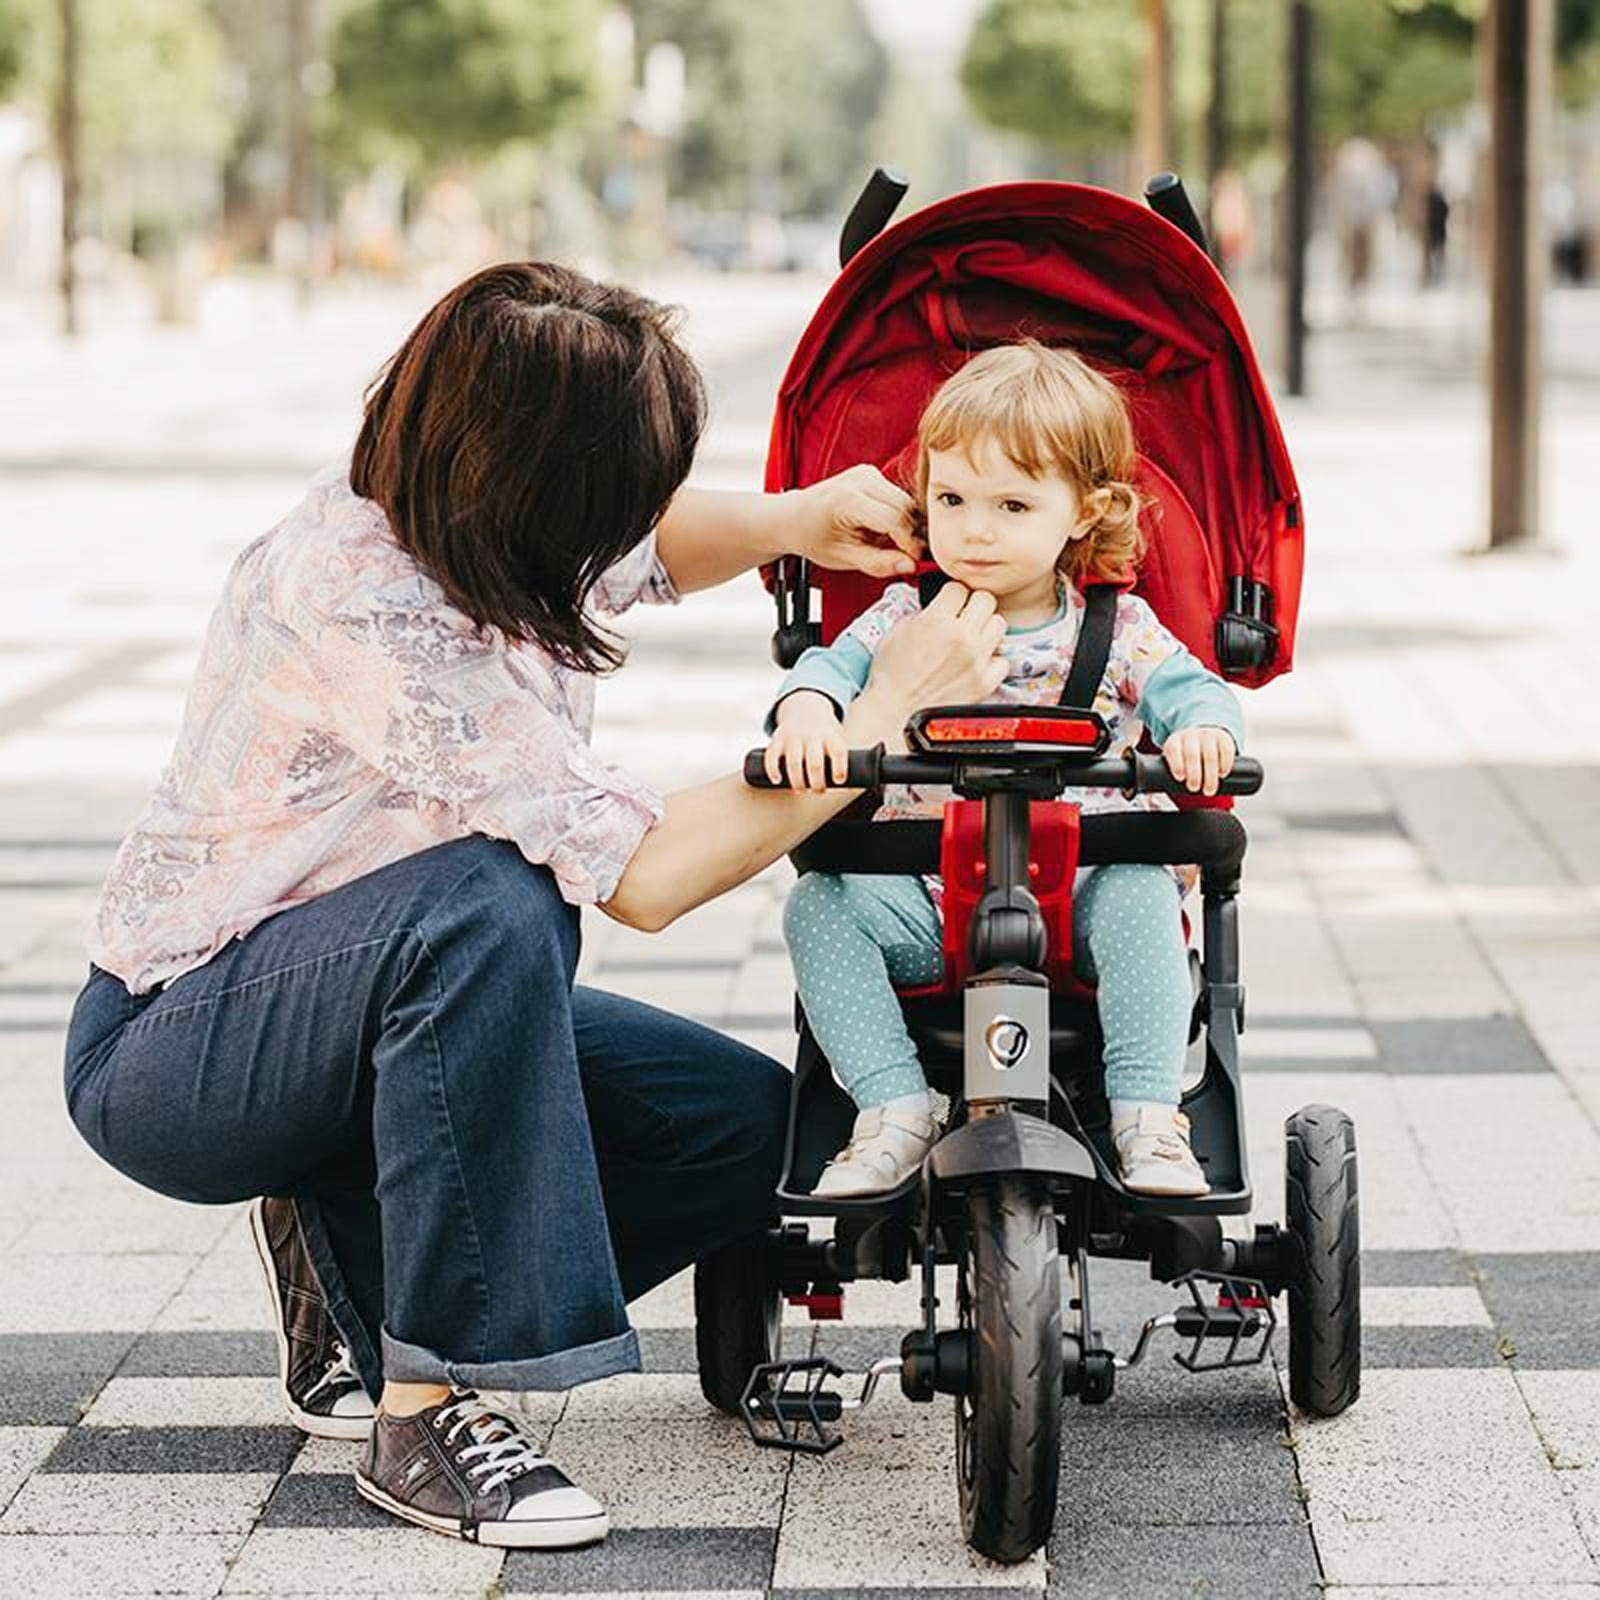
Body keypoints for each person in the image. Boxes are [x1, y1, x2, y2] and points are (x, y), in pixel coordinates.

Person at [61, 261, 1010, 1550]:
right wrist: (881, 710)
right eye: (620, 489)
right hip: (182, 1048)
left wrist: (797, 518)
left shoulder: (467, 510)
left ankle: (351, 1258)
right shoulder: (366, 604)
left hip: (362, 995)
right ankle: (425, 1406)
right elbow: (646, 875)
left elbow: (646, 550)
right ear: (538, 485)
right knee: (497, 901)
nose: (635, 521)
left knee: (751, 1134)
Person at [763, 342, 1245, 1200]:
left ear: (1087, 512)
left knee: (1143, 894)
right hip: (926, 895)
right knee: (817, 906)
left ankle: (1146, 1114)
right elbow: (828, 670)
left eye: (1013, 505)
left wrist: (1203, 732)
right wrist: (807, 713)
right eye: (951, 499)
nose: (974, 530)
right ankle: (893, 1104)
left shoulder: (1118, 631)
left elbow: (1195, 691)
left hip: (1085, 898)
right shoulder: (908, 615)